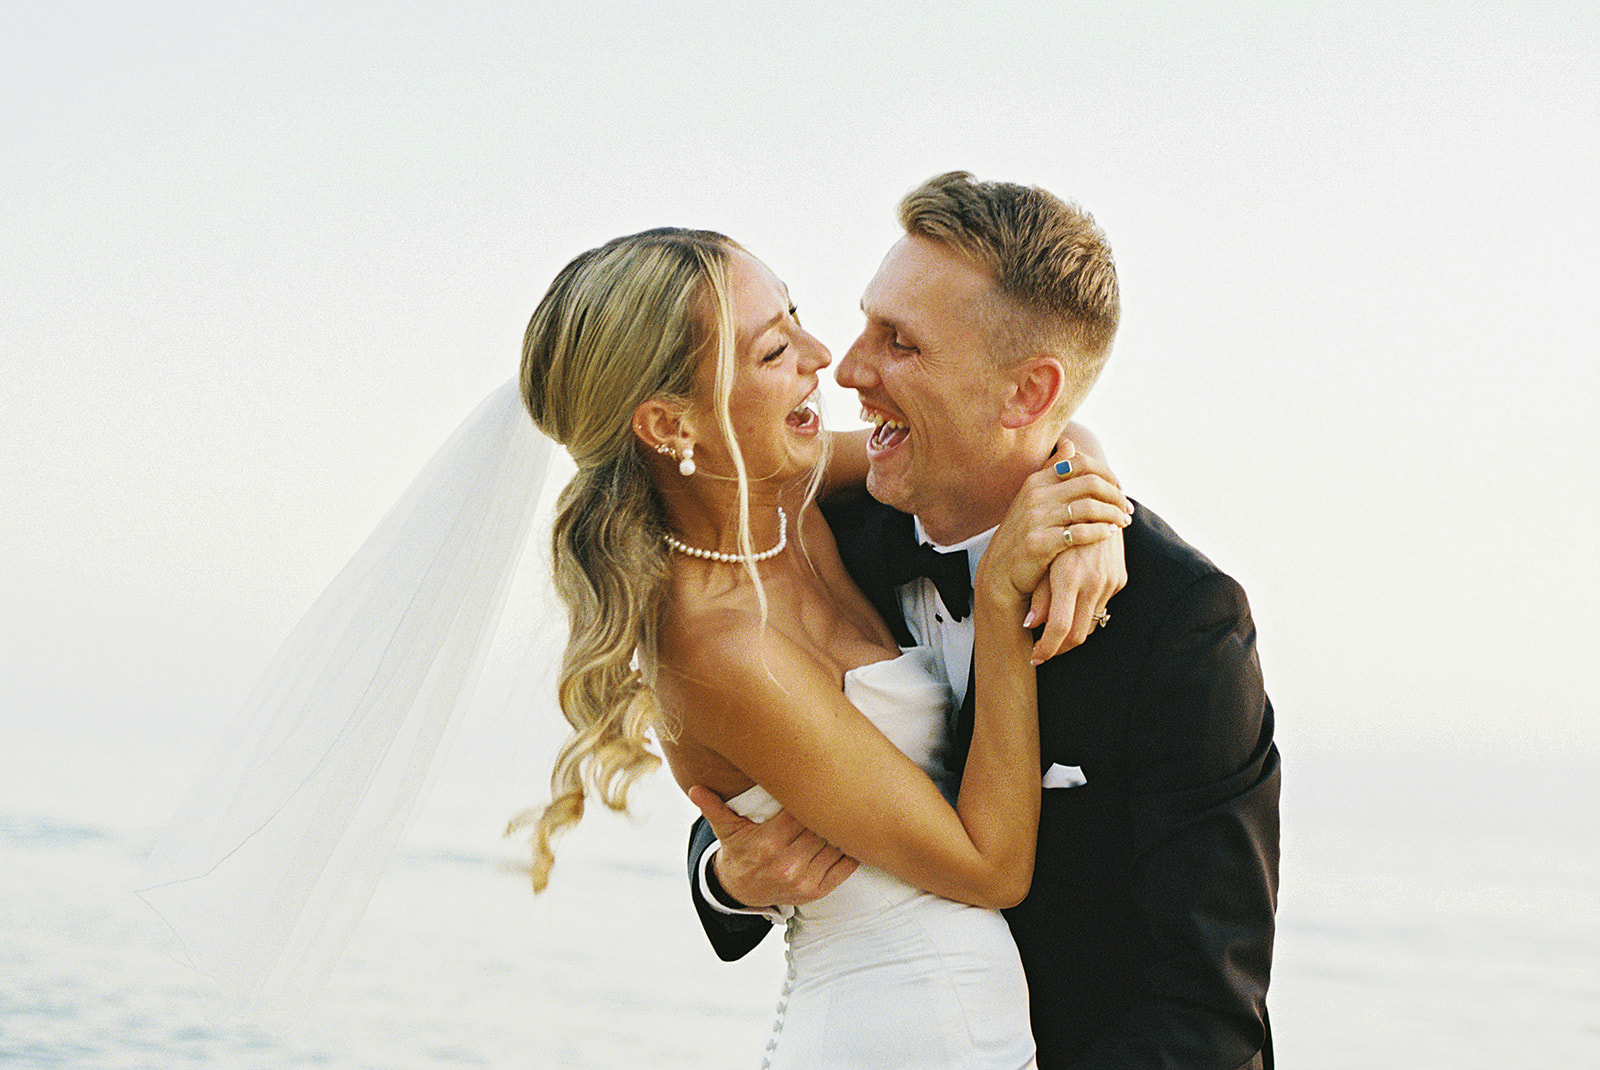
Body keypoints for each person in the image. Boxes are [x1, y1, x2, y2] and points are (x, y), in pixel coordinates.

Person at [687, 173, 1281, 1069]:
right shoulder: (828, 536)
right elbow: (748, 745)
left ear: (1028, 395)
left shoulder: (1182, 627)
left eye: (902, 344)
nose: (847, 370)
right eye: (864, 322)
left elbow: (1207, 1013)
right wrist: (728, 879)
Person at [513, 225, 1136, 1069]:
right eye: (774, 350)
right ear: (668, 422)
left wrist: (1087, 496)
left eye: (796, 317)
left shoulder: (787, 496)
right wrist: (998, 604)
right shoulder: (719, 644)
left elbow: (1004, 448)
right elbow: (991, 869)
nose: (822, 357)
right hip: (897, 1036)